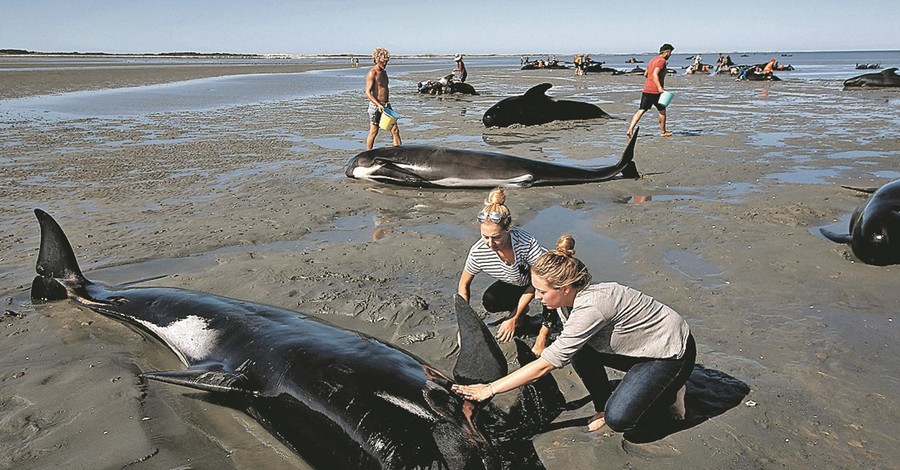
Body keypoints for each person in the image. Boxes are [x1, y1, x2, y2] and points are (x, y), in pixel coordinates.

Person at [453, 234, 696, 438]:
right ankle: (604, 405)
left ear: (565, 288)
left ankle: (672, 388)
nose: (537, 297)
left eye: (541, 291)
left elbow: (545, 365)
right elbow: (562, 347)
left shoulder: (592, 307)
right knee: (577, 350)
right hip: (639, 346)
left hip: (671, 353)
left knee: (621, 420)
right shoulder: (565, 299)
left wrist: (490, 389)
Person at [457, 188, 556, 349]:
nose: (490, 243)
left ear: (508, 229)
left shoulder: (525, 243)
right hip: (517, 280)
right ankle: (522, 314)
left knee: (549, 295)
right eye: (485, 237)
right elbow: (464, 285)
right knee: (490, 300)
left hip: (544, 279)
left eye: (496, 238)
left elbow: (539, 282)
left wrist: (513, 318)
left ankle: (544, 334)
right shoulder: (478, 252)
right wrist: (464, 324)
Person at [626, 43, 674, 138]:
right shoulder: (661, 61)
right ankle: (663, 132)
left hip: (646, 90)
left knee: (641, 110)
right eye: (670, 53)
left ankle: (630, 129)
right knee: (662, 111)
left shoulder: (652, 60)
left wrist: (650, 82)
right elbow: (655, 74)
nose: (670, 55)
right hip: (656, 91)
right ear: (667, 52)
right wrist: (659, 87)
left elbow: (646, 74)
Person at [365, 47, 402, 150]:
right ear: (377, 60)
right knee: (374, 131)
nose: (385, 64)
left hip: (386, 105)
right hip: (376, 106)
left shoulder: (384, 73)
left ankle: (399, 152)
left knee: (395, 129)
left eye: (386, 61)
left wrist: (385, 105)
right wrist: (378, 104)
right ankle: (368, 153)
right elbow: (368, 93)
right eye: (383, 62)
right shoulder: (372, 73)